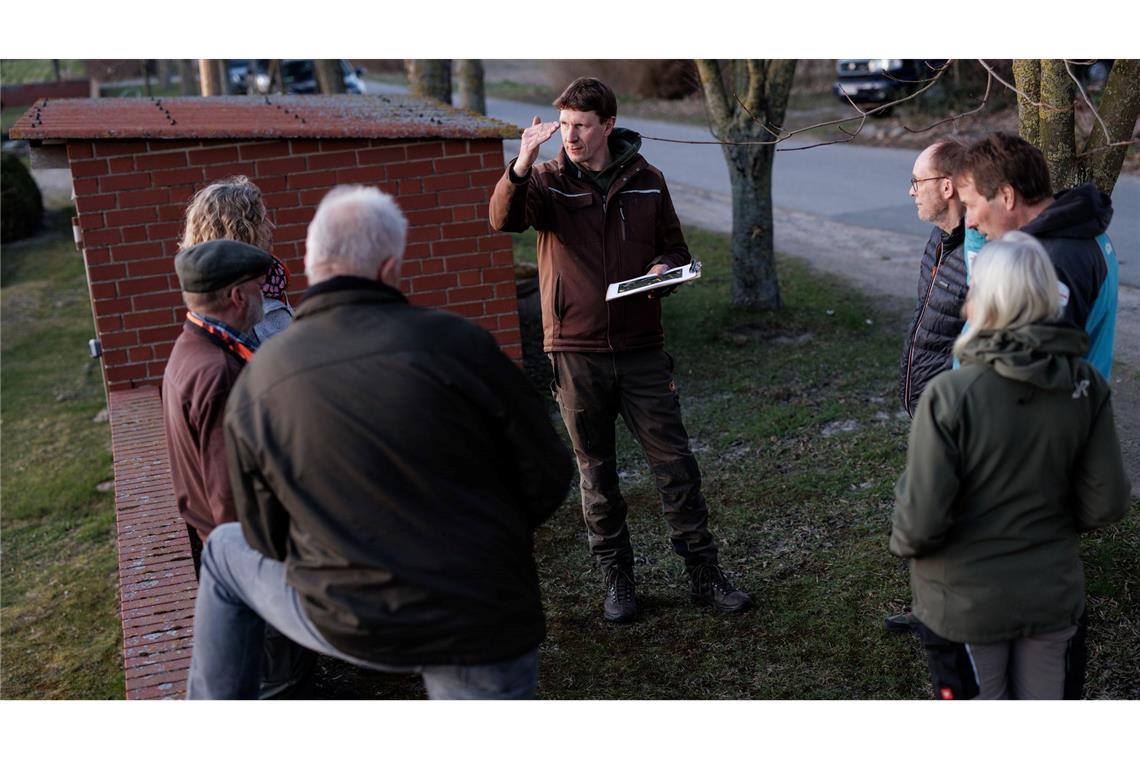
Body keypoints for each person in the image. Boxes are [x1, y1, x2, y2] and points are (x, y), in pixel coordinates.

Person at [186, 186, 573, 699]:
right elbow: (549, 477)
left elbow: (264, 533)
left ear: (309, 263)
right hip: (477, 612)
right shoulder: (463, 345)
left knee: (225, 549)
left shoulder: (261, 376)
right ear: (390, 268)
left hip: (343, 616)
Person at [489, 76, 751, 623]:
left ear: (608, 125)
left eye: (581, 126)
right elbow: (503, 219)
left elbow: (674, 249)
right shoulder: (546, 179)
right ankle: (618, 581)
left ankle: (704, 574)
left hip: (642, 350)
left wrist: (663, 271)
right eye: (563, 126)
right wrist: (520, 163)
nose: (571, 136)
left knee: (676, 466)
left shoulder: (648, 181)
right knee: (597, 473)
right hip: (575, 351)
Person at [890, 231, 1130, 699]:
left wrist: (908, 544)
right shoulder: (1084, 386)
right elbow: (1106, 502)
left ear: (986, 299)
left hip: (965, 604)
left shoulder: (949, 395)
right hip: (1052, 594)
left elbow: (919, 523)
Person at [162, 238, 314, 699]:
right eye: (257, 288)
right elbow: (231, 496)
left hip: (229, 556)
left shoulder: (190, 351)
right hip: (253, 564)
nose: (263, 299)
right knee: (282, 688)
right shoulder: (219, 373)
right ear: (237, 296)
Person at [888, 139, 983, 635]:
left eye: (917, 182)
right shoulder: (940, 240)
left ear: (947, 186)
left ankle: (953, 616)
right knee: (933, 508)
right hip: (928, 408)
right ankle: (934, 607)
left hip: (957, 413)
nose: (910, 192)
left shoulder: (980, 248)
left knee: (956, 513)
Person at [951, 131, 1119, 379]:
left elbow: (1031, 373)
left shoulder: (1049, 263)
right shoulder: (1077, 232)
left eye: (971, 206)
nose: (970, 221)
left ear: (1007, 196)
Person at [181, 176, 295, 342]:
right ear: (241, 231)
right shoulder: (250, 304)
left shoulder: (212, 292)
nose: (272, 227)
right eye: (262, 221)